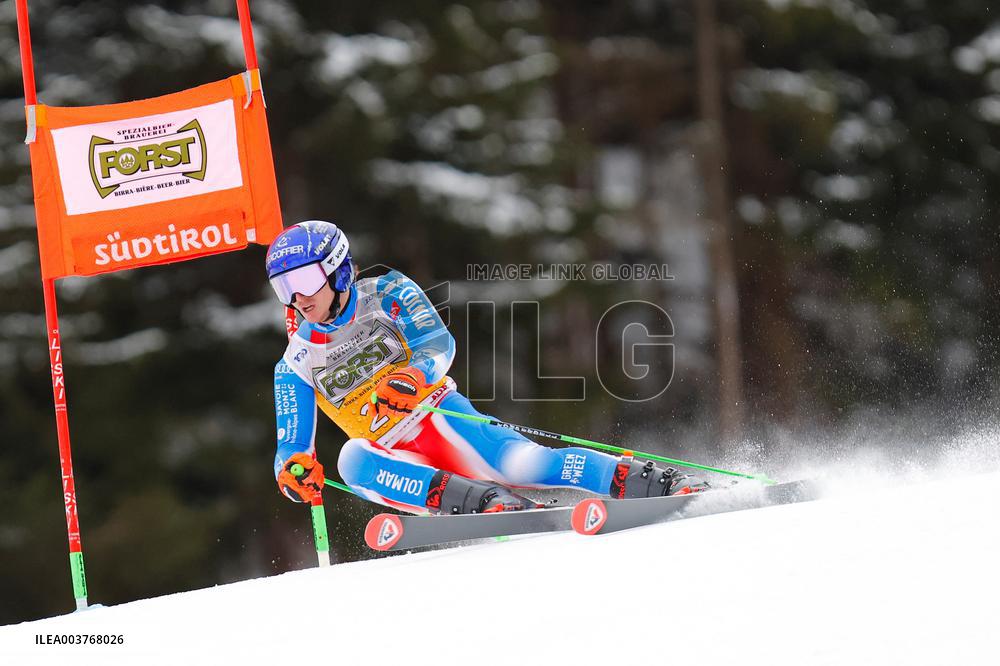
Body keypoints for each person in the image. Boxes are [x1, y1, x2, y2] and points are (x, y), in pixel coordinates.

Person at [267, 220, 707, 514]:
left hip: (443, 418)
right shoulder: (294, 364)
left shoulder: (386, 293)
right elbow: (291, 450)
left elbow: (437, 343)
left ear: (337, 270)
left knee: (528, 465)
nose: (297, 297)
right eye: (283, 286)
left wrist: (412, 378)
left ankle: (662, 484)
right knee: (351, 458)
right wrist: (293, 475)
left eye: (304, 280)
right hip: (393, 459)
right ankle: (486, 504)